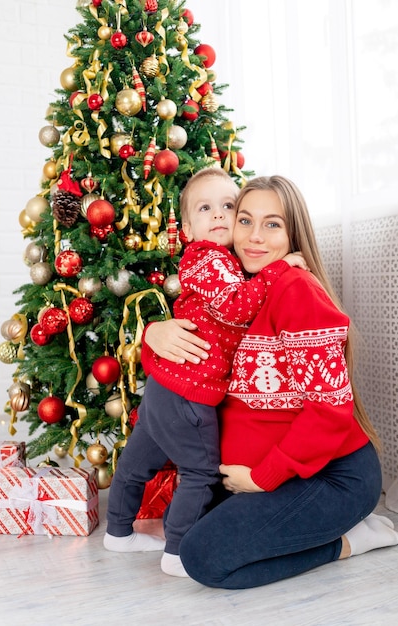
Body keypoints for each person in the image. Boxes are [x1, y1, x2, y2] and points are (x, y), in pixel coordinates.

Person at [144, 174, 398, 589]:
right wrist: (152, 335)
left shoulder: (294, 290)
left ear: (293, 233)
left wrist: (262, 479)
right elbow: (195, 361)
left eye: (272, 224)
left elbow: (329, 411)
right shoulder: (238, 289)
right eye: (244, 221)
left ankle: (351, 539)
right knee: (188, 521)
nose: (254, 237)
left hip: (333, 477)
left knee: (201, 558)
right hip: (266, 473)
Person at [104, 168, 307, 577]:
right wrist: (280, 268)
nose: (218, 215)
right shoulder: (205, 260)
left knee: (138, 460)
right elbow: (235, 307)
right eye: (205, 208)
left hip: (170, 383)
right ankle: (178, 551)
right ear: (189, 228)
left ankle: (118, 532)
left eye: (228, 207)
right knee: (200, 470)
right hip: (189, 390)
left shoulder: (231, 261)